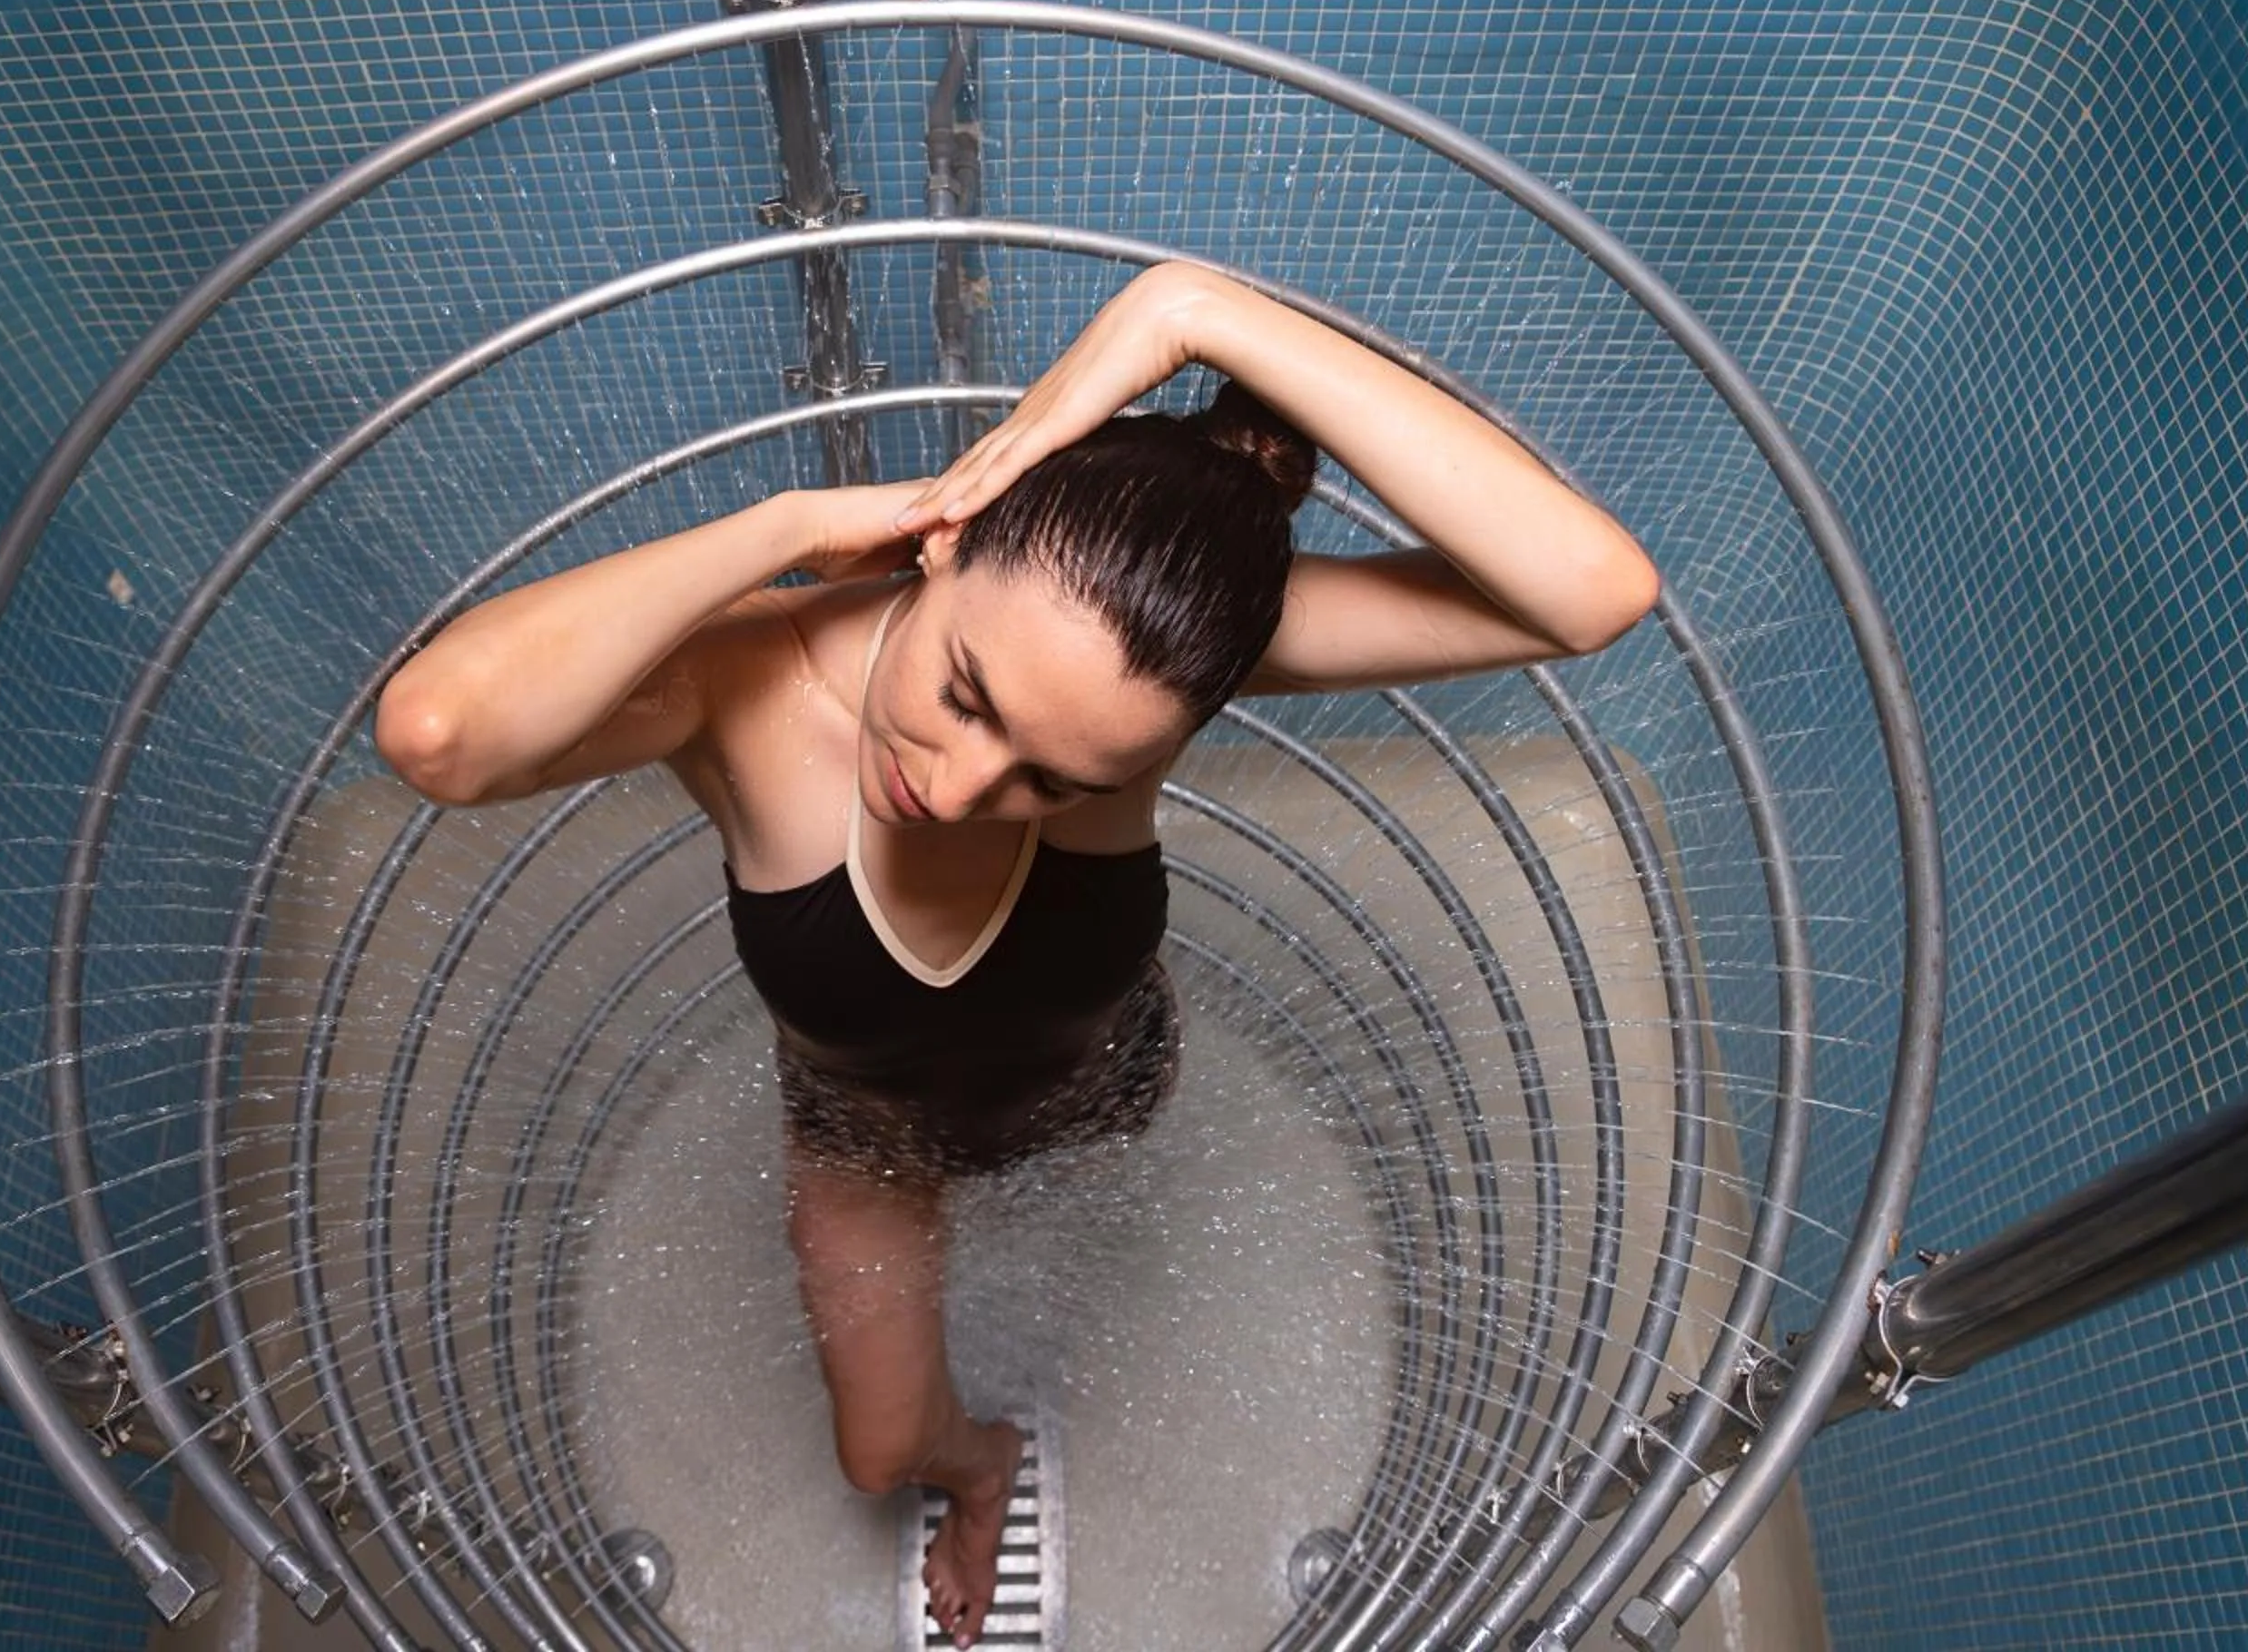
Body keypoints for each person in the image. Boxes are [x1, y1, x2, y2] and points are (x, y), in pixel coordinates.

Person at [374, 261, 1659, 1647]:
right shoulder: (747, 688)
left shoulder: (1146, 681)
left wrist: (1198, 316)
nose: (962, 782)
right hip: (865, 1137)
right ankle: (978, 1463)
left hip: (1108, 1082)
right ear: (944, 545)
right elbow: (443, 734)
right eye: (964, 693)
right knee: (880, 1457)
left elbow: (1588, 594)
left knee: (1090, 1138)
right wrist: (788, 525)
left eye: (1053, 777)